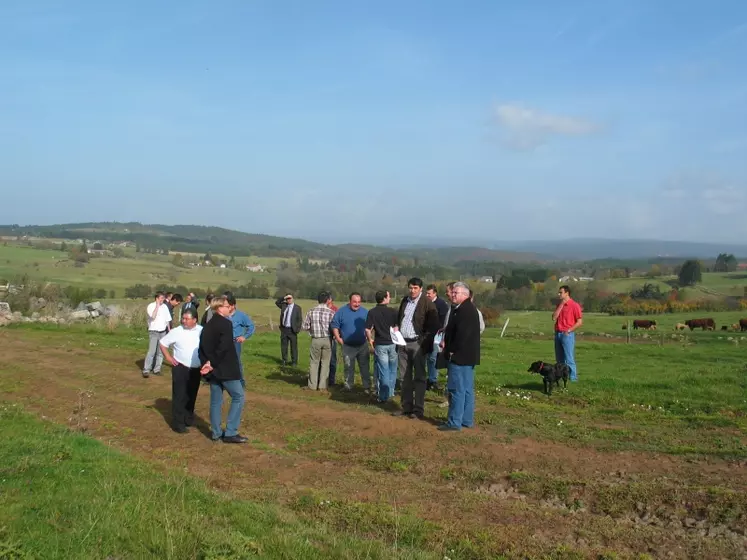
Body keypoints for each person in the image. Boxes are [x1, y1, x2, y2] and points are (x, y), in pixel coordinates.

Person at [198, 295, 247, 443]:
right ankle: (231, 432)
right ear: (219, 308)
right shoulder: (225, 324)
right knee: (239, 396)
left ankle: (216, 433)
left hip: (212, 370)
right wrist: (212, 363)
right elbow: (223, 347)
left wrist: (206, 363)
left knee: (216, 401)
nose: (230, 308)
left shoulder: (208, 324)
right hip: (225, 369)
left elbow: (201, 348)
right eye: (227, 306)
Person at [392, 277, 440, 420]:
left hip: (417, 343)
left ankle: (418, 409)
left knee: (419, 377)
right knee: (404, 377)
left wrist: (424, 341)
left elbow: (434, 325)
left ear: (421, 289)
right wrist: (396, 327)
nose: (412, 291)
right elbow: (400, 317)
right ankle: (406, 407)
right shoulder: (405, 301)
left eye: (415, 288)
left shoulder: (427, 303)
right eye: (410, 288)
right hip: (402, 343)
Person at [439, 282, 480, 431]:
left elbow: (462, 335)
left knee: (457, 390)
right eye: (453, 292)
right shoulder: (468, 309)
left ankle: (454, 422)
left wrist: (451, 350)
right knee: (467, 389)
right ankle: (466, 420)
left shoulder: (464, 311)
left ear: (465, 295)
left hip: (459, 357)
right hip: (469, 357)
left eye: (455, 293)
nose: (452, 295)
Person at [158, 308, 203, 433]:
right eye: (183, 318)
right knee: (179, 395)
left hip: (196, 369)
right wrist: (168, 357)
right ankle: (178, 423)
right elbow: (162, 343)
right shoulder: (176, 331)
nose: (184, 321)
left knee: (191, 394)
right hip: (180, 367)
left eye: (187, 319)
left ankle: (188, 418)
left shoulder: (201, 331)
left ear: (195, 320)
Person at [330, 292, 370, 392]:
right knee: (348, 367)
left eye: (359, 302)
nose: (357, 304)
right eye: (354, 302)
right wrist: (338, 338)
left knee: (365, 367)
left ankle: (367, 387)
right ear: (350, 301)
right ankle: (348, 386)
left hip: (362, 345)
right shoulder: (341, 311)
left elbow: (370, 326)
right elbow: (335, 325)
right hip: (348, 346)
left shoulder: (365, 312)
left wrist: (368, 338)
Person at [365, 290, 399, 403]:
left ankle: (383, 396)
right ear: (384, 298)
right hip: (393, 343)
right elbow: (396, 328)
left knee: (383, 370)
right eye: (389, 296)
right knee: (393, 368)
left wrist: (370, 340)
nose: (390, 298)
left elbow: (367, 329)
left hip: (380, 344)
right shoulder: (393, 311)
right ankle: (391, 392)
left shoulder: (372, 312)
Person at [301, 291, 335, 391]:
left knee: (314, 362)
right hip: (327, 339)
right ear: (327, 300)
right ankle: (322, 386)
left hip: (315, 339)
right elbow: (334, 327)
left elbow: (305, 326)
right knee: (325, 363)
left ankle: (312, 385)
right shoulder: (331, 312)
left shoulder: (311, 311)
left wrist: (312, 331)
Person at [552, 285, 583, 382]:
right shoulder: (559, 305)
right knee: (559, 359)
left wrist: (569, 330)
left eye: (561, 292)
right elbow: (553, 318)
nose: (559, 294)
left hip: (567, 335)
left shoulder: (574, 305)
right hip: (558, 334)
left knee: (569, 358)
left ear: (567, 293)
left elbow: (579, 322)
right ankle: (560, 378)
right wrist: (561, 305)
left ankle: (573, 378)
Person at [224, 292, 255, 387]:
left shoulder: (241, 316)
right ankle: (226, 381)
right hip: (223, 342)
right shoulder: (222, 315)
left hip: (235, 342)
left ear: (233, 305)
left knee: (236, 362)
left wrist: (244, 337)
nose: (225, 308)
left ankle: (240, 382)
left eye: (227, 306)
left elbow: (251, 326)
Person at [425, 284, 449, 391]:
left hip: (436, 336)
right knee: (426, 358)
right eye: (426, 293)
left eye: (429, 293)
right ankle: (427, 378)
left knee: (433, 358)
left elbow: (444, 320)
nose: (427, 295)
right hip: (426, 335)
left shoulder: (441, 304)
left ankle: (432, 380)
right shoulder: (425, 303)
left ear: (435, 293)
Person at [142, 291, 172, 378]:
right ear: (157, 298)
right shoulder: (151, 306)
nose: (163, 300)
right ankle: (146, 369)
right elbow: (153, 316)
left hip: (162, 332)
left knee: (160, 352)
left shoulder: (165, 307)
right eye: (161, 298)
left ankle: (157, 369)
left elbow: (167, 320)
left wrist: (169, 331)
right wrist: (157, 306)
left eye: (163, 298)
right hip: (153, 331)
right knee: (152, 351)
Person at [275, 293, 302, 366]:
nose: (288, 300)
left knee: (293, 347)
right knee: (284, 346)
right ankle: (284, 360)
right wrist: (284, 297)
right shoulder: (284, 305)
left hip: (292, 330)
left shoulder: (297, 308)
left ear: (293, 299)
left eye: (290, 298)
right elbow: (277, 302)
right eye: (287, 298)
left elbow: (299, 320)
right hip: (284, 329)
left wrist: (297, 330)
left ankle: (294, 362)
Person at [327, 295, 339, 385]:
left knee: (332, 359)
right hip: (324, 336)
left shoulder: (336, 310)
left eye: (328, 298)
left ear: (331, 299)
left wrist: (337, 335)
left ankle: (331, 380)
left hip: (333, 337)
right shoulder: (322, 308)